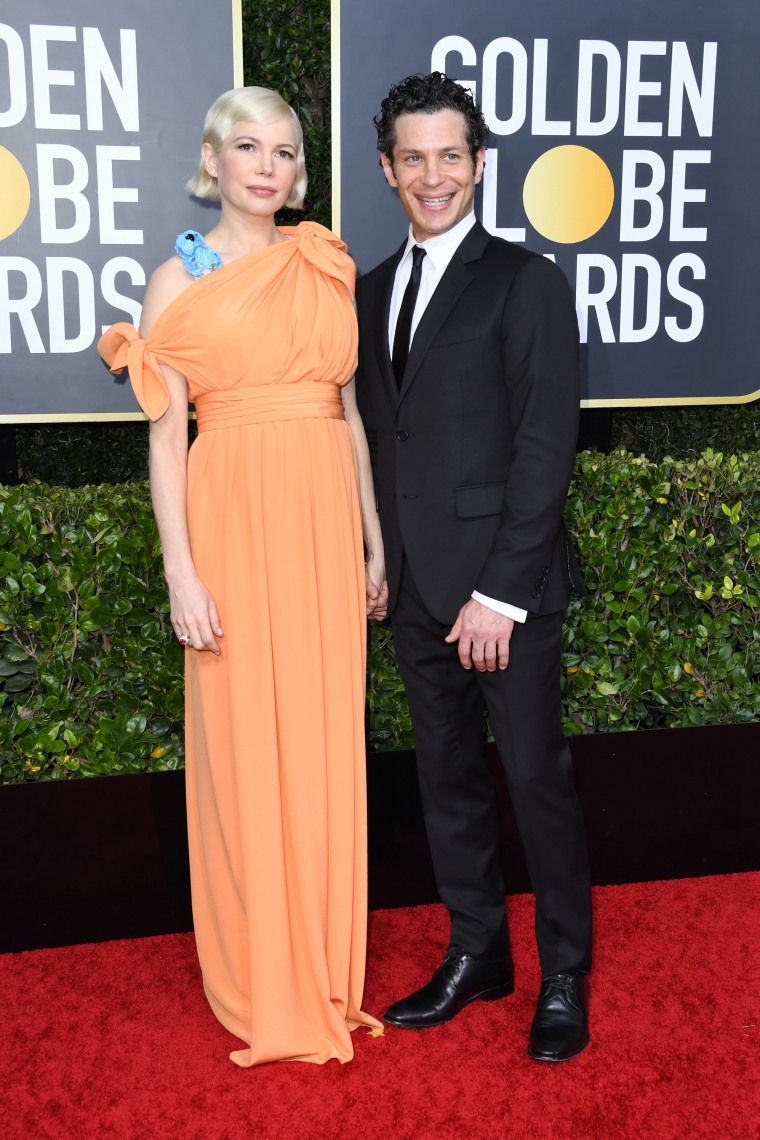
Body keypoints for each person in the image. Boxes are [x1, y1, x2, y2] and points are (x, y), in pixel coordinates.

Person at [99, 86, 387, 1067]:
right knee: (242, 742)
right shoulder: (174, 289)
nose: (267, 167)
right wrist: (181, 570)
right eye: (247, 148)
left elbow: (345, 416)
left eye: (284, 151)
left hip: (318, 520)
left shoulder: (323, 262)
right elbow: (166, 441)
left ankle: (323, 960)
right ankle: (262, 970)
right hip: (231, 521)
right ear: (214, 160)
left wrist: (372, 541)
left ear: (298, 169)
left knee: (319, 738)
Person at [355, 72, 593, 1062]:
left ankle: (565, 975)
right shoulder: (367, 291)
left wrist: (499, 592)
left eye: (450, 154)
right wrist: (377, 558)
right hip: (410, 587)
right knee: (447, 782)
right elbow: (376, 435)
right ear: (386, 170)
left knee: (535, 779)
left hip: (504, 593)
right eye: (412, 157)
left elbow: (546, 443)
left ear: (480, 164)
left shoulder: (524, 280)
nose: (432, 174)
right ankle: (477, 953)